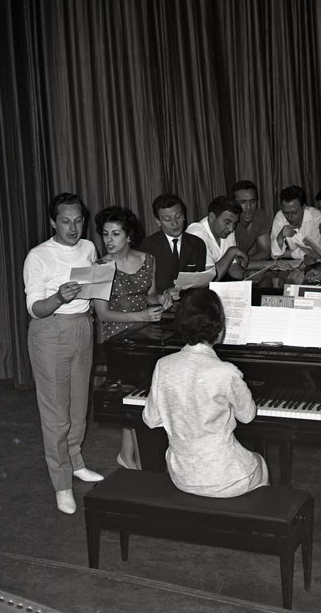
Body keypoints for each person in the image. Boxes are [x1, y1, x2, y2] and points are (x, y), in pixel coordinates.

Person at [143, 288, 269, 497]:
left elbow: (151, 419)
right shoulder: (226, 371)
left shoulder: (163, 365)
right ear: (219, 329)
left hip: (181, 476)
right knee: (260, 462)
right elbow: (247, 416)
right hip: (225, 477)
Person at [23, 192, 104, 515]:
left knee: (79, 408)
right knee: (56, 414)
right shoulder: (38, 256)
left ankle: (75, 462)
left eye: (79, 221)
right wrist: (58, 297)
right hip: (50, 330)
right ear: (53, 222)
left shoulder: (88, 248)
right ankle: (62, 483)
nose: (73, 228)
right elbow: (34, 308)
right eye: (66, 222)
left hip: (82, 327)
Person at [94, 206, 173, 470]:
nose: (109, 240)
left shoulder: (148, 259)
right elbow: (103, 314)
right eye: (105, 234)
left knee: (143, 396)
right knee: (134, 397)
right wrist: (142, 316)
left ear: (129, 236)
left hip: (146, 333)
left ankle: (127, 454)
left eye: (116, 234)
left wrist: (162, 299)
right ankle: (137, 459)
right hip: (118, 338)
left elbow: (149, 296)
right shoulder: (100, 267)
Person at [139, 194, 206, 293]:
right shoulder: (147, 246)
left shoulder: (197, 244)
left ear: (184, 216)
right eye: (167, 219)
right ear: (158, 221)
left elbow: (200, 282)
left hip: (191, 300)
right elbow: (144, 288)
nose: (174, 223)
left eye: (178, 216)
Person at [186, 196, 249, 280]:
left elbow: (232, 266)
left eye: (235, 223)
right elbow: (211, 278)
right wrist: (232, 252)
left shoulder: (227, 230)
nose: (231, 229)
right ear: (212, 217)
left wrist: (246, 275)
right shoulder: (196, 234)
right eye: (227, 223)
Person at [270, 185, 321, 260]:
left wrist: (287, 254)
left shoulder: (316, 217)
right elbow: (274, 255)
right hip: (293, 263)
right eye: (286, 213)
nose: (289, 217)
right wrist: (280, 237)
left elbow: (313, 252)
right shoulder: (280, 217)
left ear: (304, 207)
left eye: (294, 213)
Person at [231, 180, 272, 263]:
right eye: (243, 202)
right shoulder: (229, 221)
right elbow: (230, 261)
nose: (249, 207)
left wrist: (246, 259)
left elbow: (266, 252)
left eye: (252, 201)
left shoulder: (260, 215)